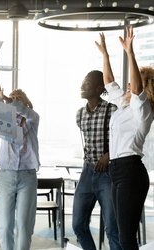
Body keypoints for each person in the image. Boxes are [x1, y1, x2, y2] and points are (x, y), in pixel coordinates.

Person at [95, 27, 154, 250]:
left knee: (127, 237)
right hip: (118, 170)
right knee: (121, 233)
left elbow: (137, 87)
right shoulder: (124, 104)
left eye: (132, 84)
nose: (128, 86)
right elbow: (109, 82)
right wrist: (105, 56)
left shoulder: (143, 111)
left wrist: (131, 53)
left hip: (131, 171)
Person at [0, 68, 40, 250]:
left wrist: (9, 100)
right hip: (6, 176)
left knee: (24, 227)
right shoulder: (6, 121)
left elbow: (22, 110)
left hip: (27, 176)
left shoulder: (33, 119)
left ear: (26, 104)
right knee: (4, 227)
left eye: (18, 100)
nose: (14, 104)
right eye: (12, 100)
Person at [72, 70, 121, 250]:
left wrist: (108, 156)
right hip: (87, 172)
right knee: (78, 225)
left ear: (99, 88)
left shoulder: (112, 110)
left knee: (112, 229)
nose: (82, 86)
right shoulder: (80, 114)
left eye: (87, 83)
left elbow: (121, 140)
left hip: (107, 175)